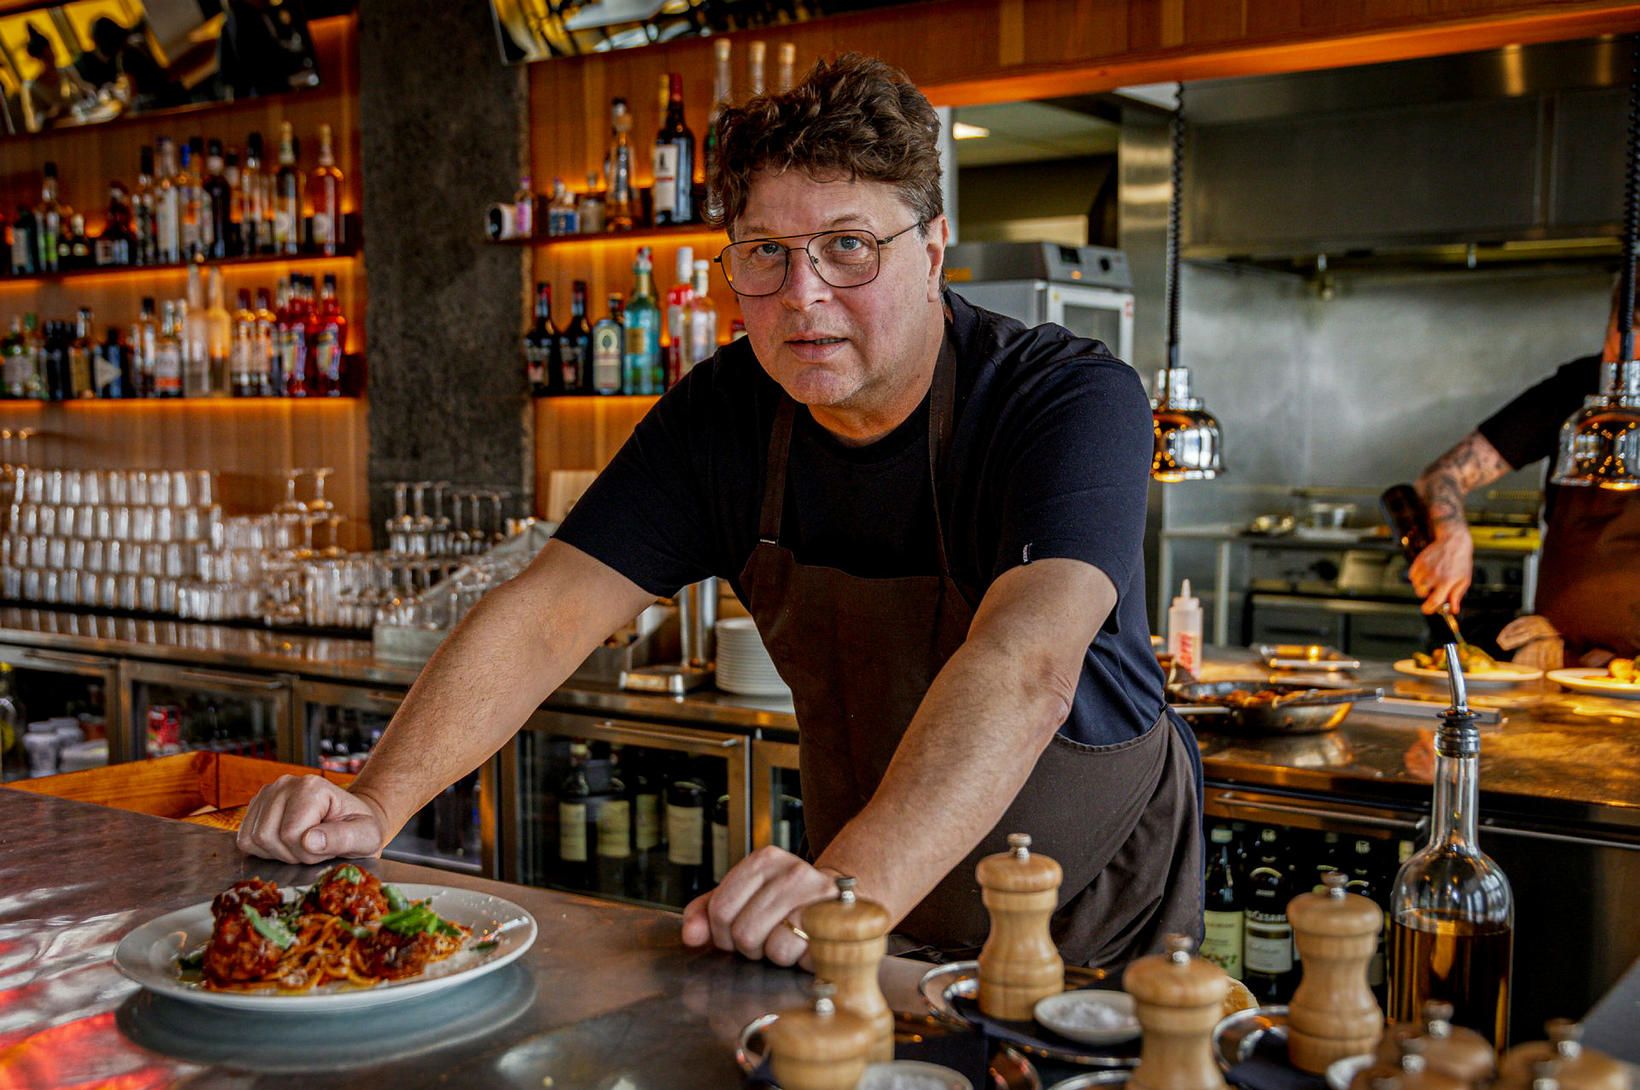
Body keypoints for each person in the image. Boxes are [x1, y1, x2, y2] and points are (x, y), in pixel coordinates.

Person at [237, 54, 1202, 968]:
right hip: (858, 914)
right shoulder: (726, 414)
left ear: (934, 248)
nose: (803, 295)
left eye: (849, 248)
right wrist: (375, 800)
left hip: (1089, 929)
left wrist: (849, 889)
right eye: (765, 255)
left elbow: (1025, 663)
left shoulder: (1064, 400)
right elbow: (548, 613)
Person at [1410, 285, 1639, 667]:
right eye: (1619, 354)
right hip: (1558, 661)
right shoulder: (1574, 389)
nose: (1624, 381)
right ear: (1609, 323)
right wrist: (1452, 535)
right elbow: (1443, 474)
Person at [20, 22, 92, 132]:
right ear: (36, 60)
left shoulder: (66, 72)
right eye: (46, 58)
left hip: (81, 124)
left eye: (52, 54)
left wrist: (94, 92)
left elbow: (84, 89)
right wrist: (50, 116)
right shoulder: (31, 88)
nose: (51, 60)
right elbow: (33, 124)